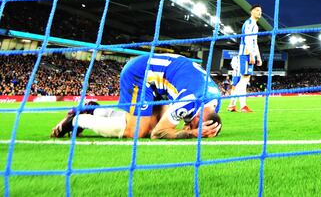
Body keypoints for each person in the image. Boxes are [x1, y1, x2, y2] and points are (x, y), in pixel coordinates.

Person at [51, 54, 221, 139]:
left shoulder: (214, 101)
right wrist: (190, 134)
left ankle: (94, 109)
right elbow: (158, 133)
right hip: (141, 75)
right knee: (137, 131)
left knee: (152, 121)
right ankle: (77, 120)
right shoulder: (189, 102)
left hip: (160, 81)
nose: (188, 126)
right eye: (192, 124)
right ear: (197, 115)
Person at [229, 4, 263, 113]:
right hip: (246, 54)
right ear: (251, 12)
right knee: (244, 80)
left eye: (260, 11)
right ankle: (243, 106)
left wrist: (258, 56)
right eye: (257, 10)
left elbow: (255, 42)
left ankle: (232, 105)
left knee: (242, 80)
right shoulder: (249, 23)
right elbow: (248, 39)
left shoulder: (254, 25)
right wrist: (251, 54)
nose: (259, 12)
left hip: (247, 53)